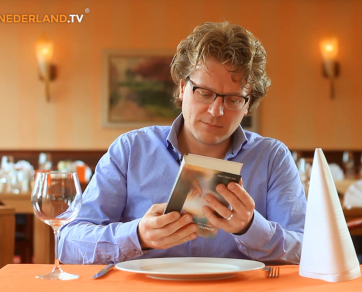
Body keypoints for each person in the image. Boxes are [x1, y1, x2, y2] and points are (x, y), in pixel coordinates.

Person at [59, 21, 306, 265]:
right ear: (182, 88)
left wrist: (251, 228)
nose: (216, 111)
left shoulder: (272, 158)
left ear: (248, 104)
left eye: (233, 99)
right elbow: (68, 243)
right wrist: (138, 236)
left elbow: (306, 249)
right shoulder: (130, 150)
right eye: (204, 93)